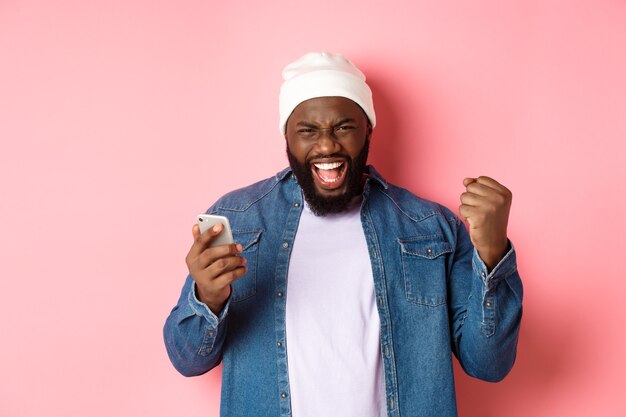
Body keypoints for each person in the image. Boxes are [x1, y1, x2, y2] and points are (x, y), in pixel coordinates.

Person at [163, 52, 523, 417]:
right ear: (286, 135)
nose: (326, 145)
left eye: (343, 127)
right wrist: (207, 297)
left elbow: (488, 364)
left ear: (368, 129)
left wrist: (492, 254)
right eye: (307, 130)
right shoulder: (236, 218)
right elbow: (187, 359)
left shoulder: (429, 226)